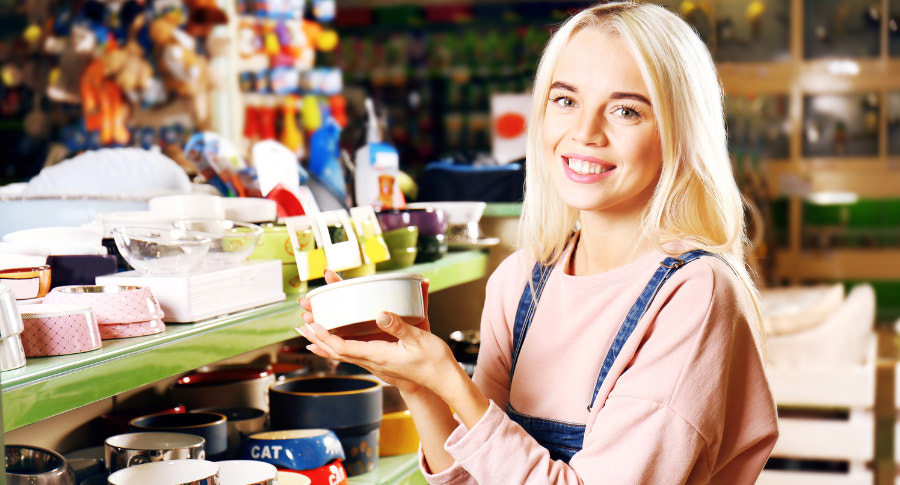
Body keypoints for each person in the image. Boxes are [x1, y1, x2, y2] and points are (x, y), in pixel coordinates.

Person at [296, 1, 779, 483]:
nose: (584, 133)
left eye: (626, 110)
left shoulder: (695, 295)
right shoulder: (521, 281)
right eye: (566, 100)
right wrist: (418, 385)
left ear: (680, 133)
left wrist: (450, 380)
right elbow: (472, 479)